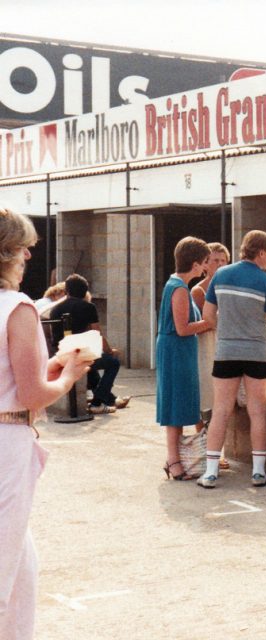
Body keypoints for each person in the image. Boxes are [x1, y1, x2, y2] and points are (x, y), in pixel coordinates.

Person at [0, 208, 93, 639]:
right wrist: (71, 376)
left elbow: (17, 379)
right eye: (23, 248)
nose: (27, 257)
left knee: (22, 572)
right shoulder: (16, 307)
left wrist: (52, 365)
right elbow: (34, 396)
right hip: (7, 443)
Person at [197, 230, 266, 489]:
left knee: (221, 410)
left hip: (226, 353)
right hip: (258, 355)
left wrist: (230, 327)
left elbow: (208, 316)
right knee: (257, 412)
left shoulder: (220, 275)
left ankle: (210, 473)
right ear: (261, 253)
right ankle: (258, 472)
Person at [156, 237, 212, 481]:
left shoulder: (177, 285)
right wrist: (208, 323)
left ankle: (175, 458)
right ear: (196, 264)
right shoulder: (179, 289)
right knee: (176, 404)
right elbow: (182, 328)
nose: (205, 268)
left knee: (177, 403)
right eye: (205, 263)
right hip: (176, 350)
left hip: (177, 351)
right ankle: (174, 460)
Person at [49, 274, 130, 413]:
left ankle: (110, 399)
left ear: (66, 291)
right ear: (85, 291)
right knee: (112, 363)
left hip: (60, 353)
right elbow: (97, 334)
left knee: (91, 365)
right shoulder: (88, 307)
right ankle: (97, 403)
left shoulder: (55, 309)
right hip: (77, 354)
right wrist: (110, 351)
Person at [191, 242, 231, 468]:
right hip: (206, 347)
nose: (218, 264)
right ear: (205, 265)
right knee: (205, 400)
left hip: (226, 347)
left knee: (222, 402)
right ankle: (205, 448)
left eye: (222, 260)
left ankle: (216, 450)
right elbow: (205, 321)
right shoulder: (199, 291)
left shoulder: (230, 285)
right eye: (214, 260)